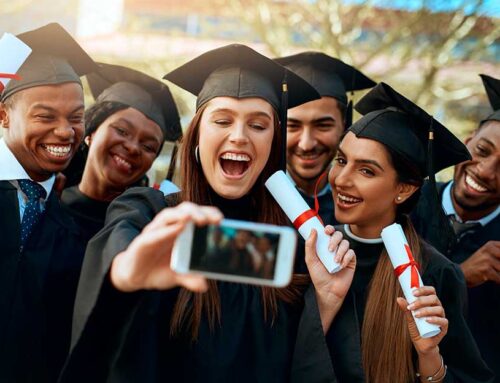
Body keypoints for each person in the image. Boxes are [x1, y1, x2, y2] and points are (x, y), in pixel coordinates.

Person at [58, 44, 349, 383]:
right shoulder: (149, 212)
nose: (238, 136)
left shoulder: (298, 246)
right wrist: (123, 274)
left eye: (258, 125)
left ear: (273, 143)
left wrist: (326, 302)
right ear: (197, 135)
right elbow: (120, 247)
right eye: (222, 120)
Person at [293, 83, 494, 382]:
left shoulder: (434, 274)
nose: (341, 179)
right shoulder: (308, 249)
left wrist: (428, 355)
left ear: (404, 188)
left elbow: (469, 377)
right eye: (342, 160)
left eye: (366, 171)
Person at [0, 23, 97, 382]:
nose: (65, 131)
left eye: (76, 117)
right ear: (3, 115)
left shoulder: (71, 224)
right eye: (45, 117)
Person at [412, 73, 500, 380]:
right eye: (483, 151)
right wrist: (459, 276)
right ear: (466, 143)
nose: (486, 171)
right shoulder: (406, 203)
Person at [60, 63, 182, 242]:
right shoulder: (43, 203)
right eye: (122, 131)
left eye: (148, 147)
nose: (133, 148)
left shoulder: (148, 226)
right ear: (91, 133)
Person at [275, 52, 375, 226]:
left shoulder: (366, 203)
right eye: (293, 126)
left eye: (323, 125)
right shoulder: (256, 200)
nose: (306, 144)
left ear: (345, 125)